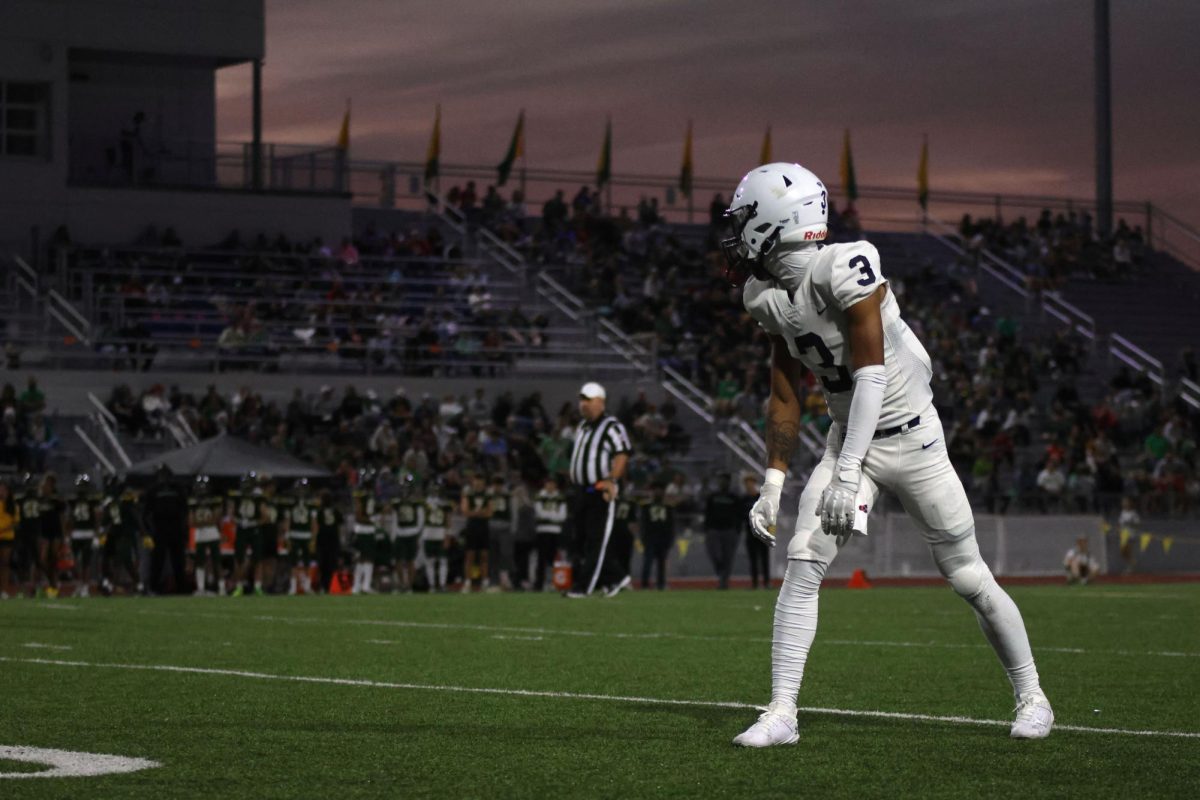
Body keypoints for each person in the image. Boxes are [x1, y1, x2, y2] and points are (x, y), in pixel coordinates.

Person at [722, 162, 1052, 745]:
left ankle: (1033, 696)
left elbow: (871, 375)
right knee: (803, 562)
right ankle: (782, 712)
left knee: (968, 576)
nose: (738, 230)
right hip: (849, 438)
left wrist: (847, 477)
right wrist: (773, 481)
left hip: (913, 437)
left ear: (780, 219)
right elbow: (784, 391)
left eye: (746, 217)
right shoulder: (763, 295)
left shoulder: (844, 264)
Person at [567, 382, 632, 597]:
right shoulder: (582, 426)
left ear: (600, 402)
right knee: (582, 540)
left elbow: (622, 454)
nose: (583, 404)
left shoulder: (612, 425)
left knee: (596, 540)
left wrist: (612, 480)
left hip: (599, 490)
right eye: (581, 400)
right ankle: (617, 578)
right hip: (580, 491)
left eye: (588, 400)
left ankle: (584, 587)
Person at [142, 466, 188, 594]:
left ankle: (181, 588)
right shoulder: (153, 491)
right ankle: (154, 587)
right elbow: (145, 513)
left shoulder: (177, 489)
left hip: (175, 528)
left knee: (178, 561)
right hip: (160, 528)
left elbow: (184, 510)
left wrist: (184, 529)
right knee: (157, 561)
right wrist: (148, 531)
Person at [703, 473, 742, 589]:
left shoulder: (734, 497)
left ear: (729, 482)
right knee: (714, 553)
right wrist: (706, 528)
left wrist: (737, 530)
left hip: (729, 531)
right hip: (714, 530)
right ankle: (719, 570)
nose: (722, 482)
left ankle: (723, 583)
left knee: (728, 557)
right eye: (720, 480)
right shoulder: (712, 497)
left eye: (725, 480)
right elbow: (707, 513)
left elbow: (738, 515)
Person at [189, 475, 226, 596]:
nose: (201, 490)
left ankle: (222, 587)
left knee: (217, 561)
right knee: (199, 562)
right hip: (200, 535)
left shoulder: (214, 500)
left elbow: (215, 519)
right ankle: (201, 588)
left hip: (212, 533)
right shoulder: (193, 502)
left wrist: (201, 523)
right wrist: (204, 522)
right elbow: (191, 522)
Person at [66, 475, 103, 597]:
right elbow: (70, 518)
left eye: (83, 485)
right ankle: (79, 584)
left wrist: (97, 535)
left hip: (88, 532)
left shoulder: (93, 500)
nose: (82, 488)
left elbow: (97, 518)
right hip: (76, 533)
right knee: (75, 562)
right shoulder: (73, 500)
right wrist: (68, 534)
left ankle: (85, 586)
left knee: (86, 563)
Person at [532, 475, 567, 591]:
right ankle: (539, 584)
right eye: (548, 483)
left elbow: (562, 516)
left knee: (553, 559)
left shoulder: (560, 497)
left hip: (555, 531)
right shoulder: (539, 496)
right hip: (542, 530)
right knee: (541, 559)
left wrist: (548, 515)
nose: (550, 486)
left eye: (552, 483)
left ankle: (553, 582)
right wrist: (553, 515)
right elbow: (539, 513)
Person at [460, 472, 493, 593]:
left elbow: (490, 512)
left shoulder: (487, 495)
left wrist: (474, 512)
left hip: (483, 527)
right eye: (476, 481)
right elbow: (465, 511)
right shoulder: (468, 494)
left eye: (481, 482)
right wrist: (480, 512)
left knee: (484, 555)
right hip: (472, 527)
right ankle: (468, 582)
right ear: (473, 482)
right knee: (470, 555)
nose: (478, 484)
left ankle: (485, 582)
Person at [640, 484, 675, 591]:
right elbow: (643, 523)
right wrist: (643, 538)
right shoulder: (646, 507)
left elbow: (671, 524)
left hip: (663, 538)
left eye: (660, 491)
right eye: (656, 491)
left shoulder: (668, 507)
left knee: (661, 563)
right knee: (648, 562)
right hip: (650, 538)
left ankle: (661, 584)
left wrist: (670, 539)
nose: (658, 493)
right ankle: (645, 584)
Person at [741, 475, 771, 589]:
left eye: (750, 482)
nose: (748, 485)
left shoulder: (761, 498)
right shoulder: (744, 499)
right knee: (753, 559)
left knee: (764, 558)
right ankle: (755, 583)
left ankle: (766, 582)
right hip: (750, 532)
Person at [0, 480, 14, 598]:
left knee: (5, 564)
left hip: (7, 537)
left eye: (4, 490)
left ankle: (4, 590)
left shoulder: (12, 505)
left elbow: (15, 522)